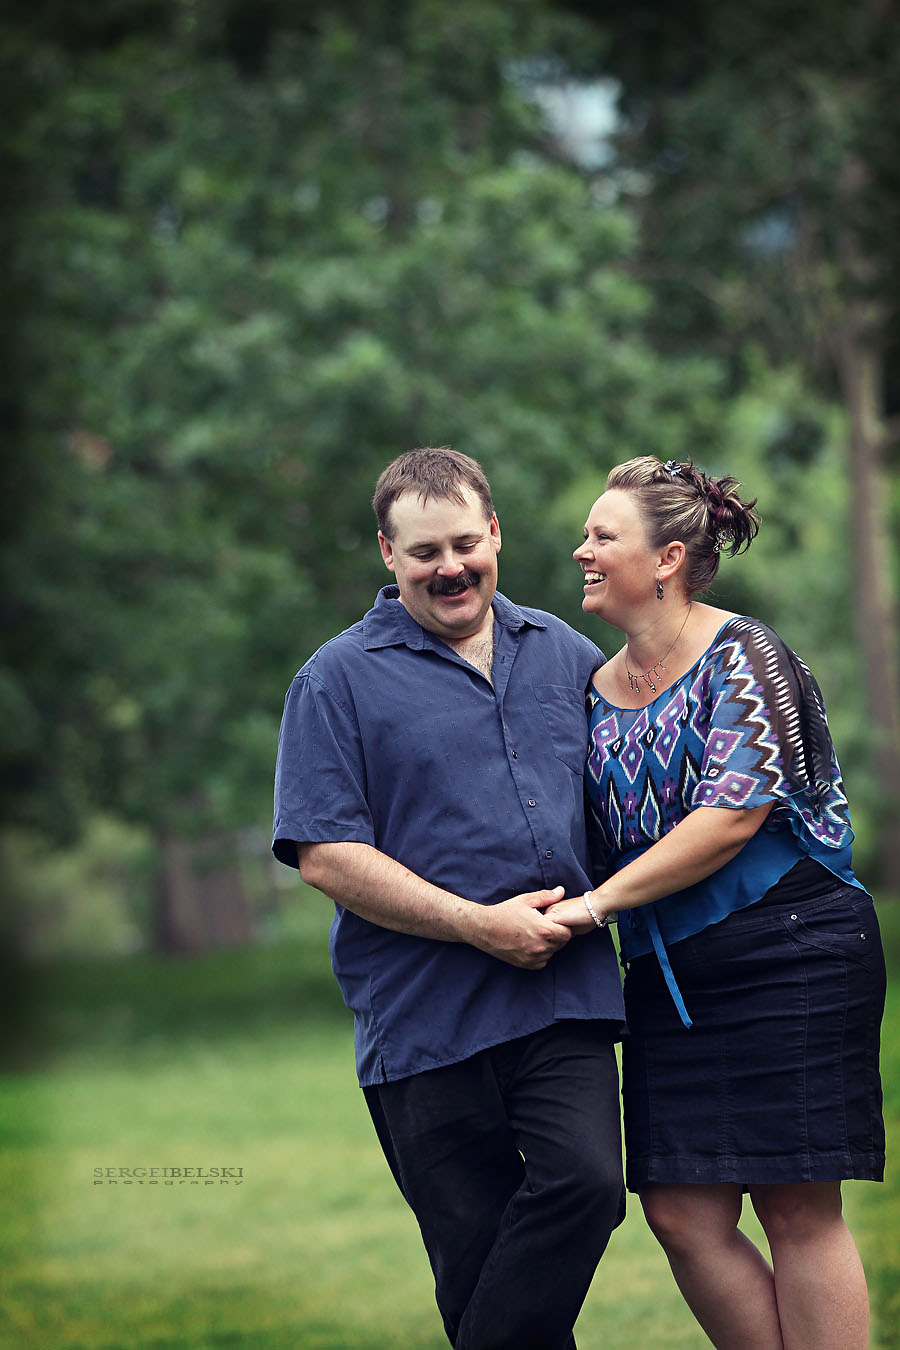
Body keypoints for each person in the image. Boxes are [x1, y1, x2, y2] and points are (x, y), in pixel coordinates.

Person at [272, 446, 626, 1350]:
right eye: (424, 552)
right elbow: (326, 855)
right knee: (477, 1263)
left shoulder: (566, 654)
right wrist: (479, 926)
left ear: (496, 533)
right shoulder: (334, 680)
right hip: (422, 1022)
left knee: (586, 1188)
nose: (451, 568)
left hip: (562, 998)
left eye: (465, 543)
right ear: (386, 556)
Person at [548, 455, 885, 1350]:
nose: (582, 550)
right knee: (680, 1214)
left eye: (602, 536)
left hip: (793, 947)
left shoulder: (747, 657)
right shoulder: (590, 689)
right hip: (669, 975)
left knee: (794, 1205)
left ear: (665, 558)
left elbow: (730, 817)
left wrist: (594, 909)